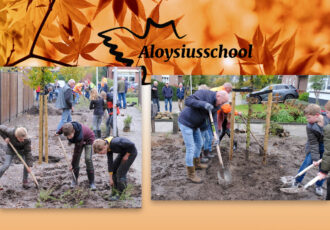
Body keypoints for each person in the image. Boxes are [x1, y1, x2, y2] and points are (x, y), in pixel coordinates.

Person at [178, 90, 229, 183]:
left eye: (224, 103)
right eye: (222, 102)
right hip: (186, 122)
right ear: (218, 96)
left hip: (196, 125)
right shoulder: (204, 93)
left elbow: (214, 121)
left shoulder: (217, 106)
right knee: (190, 147)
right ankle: (191, 174)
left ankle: (196, 164)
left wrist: (216, 136)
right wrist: (204, 104)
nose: (222, 104)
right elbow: (188, 101)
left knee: (199, 143)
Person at [292, 104, 329, 196]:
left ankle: (319, 185)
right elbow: (313, 143)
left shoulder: (328, 120)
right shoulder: (310, 126)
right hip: (314, 146)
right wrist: (315, 158)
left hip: (327, 146)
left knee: (324, 167)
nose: (307, 120)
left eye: (308, 117)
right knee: (307, 163)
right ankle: (297, 180)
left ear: (316, 115)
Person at [93, 136, 137, 201]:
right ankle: (114, 192)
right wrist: (110, 178)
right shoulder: (107, 146)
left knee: (120, 173)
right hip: (123, 152)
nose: (101, 154)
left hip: (131, 153)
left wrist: (127, 155)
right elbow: (110, 162)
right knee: (114, 170)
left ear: (104, 147)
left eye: (101, 153)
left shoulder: (116, 142)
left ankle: (121, 195)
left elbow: (132, 144)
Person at [56, 122, 96, 190]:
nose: (68, 137)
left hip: (88, 139)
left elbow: (76, 154)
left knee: (88, 159)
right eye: (67, 136)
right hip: (79, 139)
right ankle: (74, 181)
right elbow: (63, 128)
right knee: (76, 161)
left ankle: (91, 182)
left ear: (73, 131)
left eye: (70, 135)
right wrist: (58, 132)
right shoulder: (67, 127)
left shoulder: (79, 137)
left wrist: (72, 164)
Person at [318, 101, 330, 200]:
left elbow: (328, 152)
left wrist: (323, 170)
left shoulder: (328, 129)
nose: (326, 114)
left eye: (328, 112)